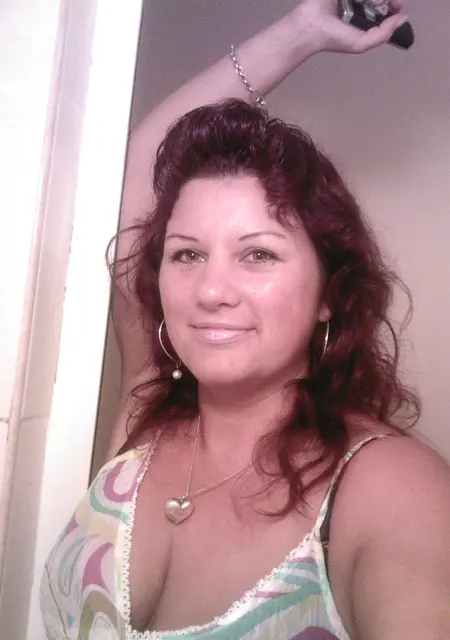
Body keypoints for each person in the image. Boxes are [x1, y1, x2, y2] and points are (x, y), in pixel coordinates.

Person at [41, 1, 450, 638]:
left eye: (258, 253)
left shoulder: (389, 488)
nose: (210, 290)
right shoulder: (147, 409)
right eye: (187, 254)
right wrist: (303, 30)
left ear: (329, 292)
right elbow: (138, 171)